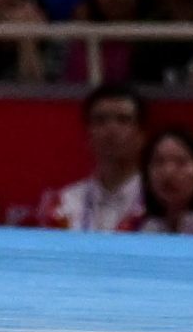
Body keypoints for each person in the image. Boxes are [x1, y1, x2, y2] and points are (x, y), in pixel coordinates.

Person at [40, 82, 150, 231]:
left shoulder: (158, 205)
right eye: (100, 120)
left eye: (123, 120)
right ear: (88, 134)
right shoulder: (65, 203)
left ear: (141, 135)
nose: (111, 130)